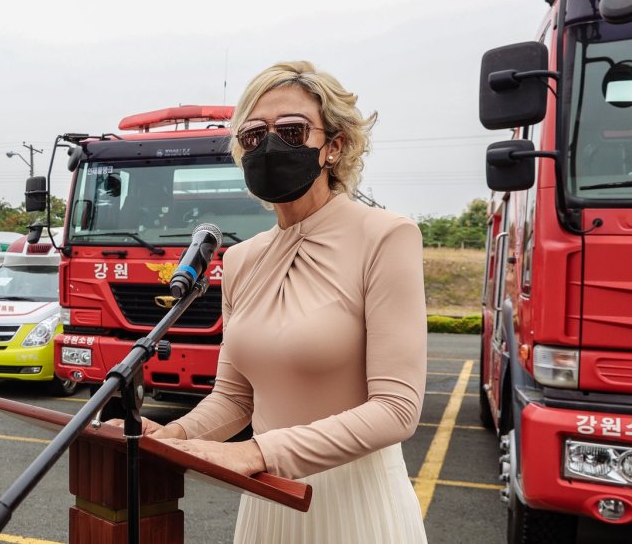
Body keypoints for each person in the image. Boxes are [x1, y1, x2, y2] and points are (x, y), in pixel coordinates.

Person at [122, 62, 427, 543]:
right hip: (268, 505)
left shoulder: (386, 237)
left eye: (291, 130)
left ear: (335, 145)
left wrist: (258, 452)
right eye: (253, 135)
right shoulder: (241, 260)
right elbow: (235, 398)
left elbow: (396, 408)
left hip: (356, 508)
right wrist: (176, 434)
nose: (269, 146)